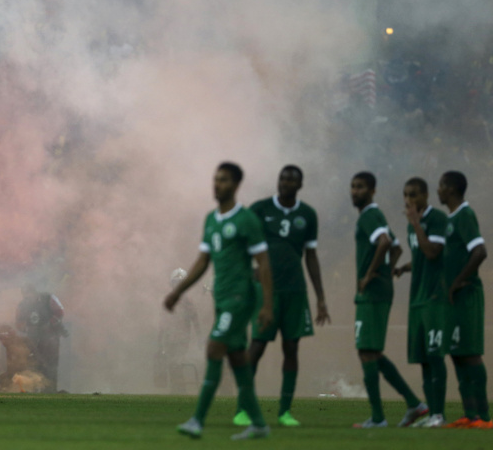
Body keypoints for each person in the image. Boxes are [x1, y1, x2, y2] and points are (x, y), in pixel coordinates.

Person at [165, 162, 273, 441]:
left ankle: (197, 420)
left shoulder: (247, 220)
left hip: (240, 298)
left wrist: (267, 305)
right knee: (237, 359)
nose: (217, 185)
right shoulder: (211, 220)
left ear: (236, 185)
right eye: (215, 179)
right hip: (222, 298)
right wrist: (178, 292)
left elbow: (264, 263)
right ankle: (259, 424)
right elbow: (203, 261)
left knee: (214, 348)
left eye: (223, 180)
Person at [234, 165, 329, 428]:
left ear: (300, 185)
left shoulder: (307, 215)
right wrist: (247, 271)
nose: (285, 183)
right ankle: (243, 408)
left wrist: (320, 297)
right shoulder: (260, 209)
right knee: (258, 346)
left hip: (295, 290)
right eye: (282, 178)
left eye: (291, 180)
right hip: (266, 290)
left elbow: (311, 256)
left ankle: (285, 412)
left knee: (292, 347)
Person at [350, 171, 427, 428]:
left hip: (372, 293)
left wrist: (371, 274)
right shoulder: (375, 215)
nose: (354, 192)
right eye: (352, 187)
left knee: (366, 352)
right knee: (372, 351)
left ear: (372, 191)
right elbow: (396, 246)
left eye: (360, 187)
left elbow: (384, 243)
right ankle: (414, 403)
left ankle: (378, 418)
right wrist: (388, 270)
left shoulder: (370, 215)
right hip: (379, 290)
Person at [393, 177, 449, 428]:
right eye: (406, 194)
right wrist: (405, 267)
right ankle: (432, 413)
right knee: (424, 358)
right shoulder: (410, 227)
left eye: (414, 194)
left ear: (426, 195)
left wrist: (416, 224)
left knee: (435, 355)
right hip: (417, 297)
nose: (408, 200)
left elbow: (433, 252)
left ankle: (439, 414)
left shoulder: (436, 219)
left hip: (435, 297)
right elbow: (420, 256)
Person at [437, 171, 491, 428]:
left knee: (470, 354)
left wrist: (458, 281)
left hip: (467, 295)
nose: (437, 190)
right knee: (457, 353)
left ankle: (485, 417)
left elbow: (480, 251)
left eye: (440, 185)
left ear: (449, 189)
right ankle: (470, 415)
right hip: (454, 297)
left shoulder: (465, 215)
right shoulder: (452, 218)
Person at [15, 283, 67, 392]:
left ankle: (50, 390)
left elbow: (60, 312)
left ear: (34, 292)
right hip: (33, 339)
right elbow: (18, 323)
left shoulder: (48, 298)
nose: (27, 297)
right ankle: (35, 389)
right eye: (25, 295)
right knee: (34, 363)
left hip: (51, 338)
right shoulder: (22, 305)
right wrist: (27, 329)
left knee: (50, 364)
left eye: (29, 294)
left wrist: (49, 324)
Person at [156, 268, 201, 394]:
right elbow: (162, 324)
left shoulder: (188, 302)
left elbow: (195, 321)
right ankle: (177, 390)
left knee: (177, 363)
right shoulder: (170, 300)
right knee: (172, 365)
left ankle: (180, 390)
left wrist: (199, 338)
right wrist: (160, 343)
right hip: (169, 339)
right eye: (176, 283)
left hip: (182, 340)